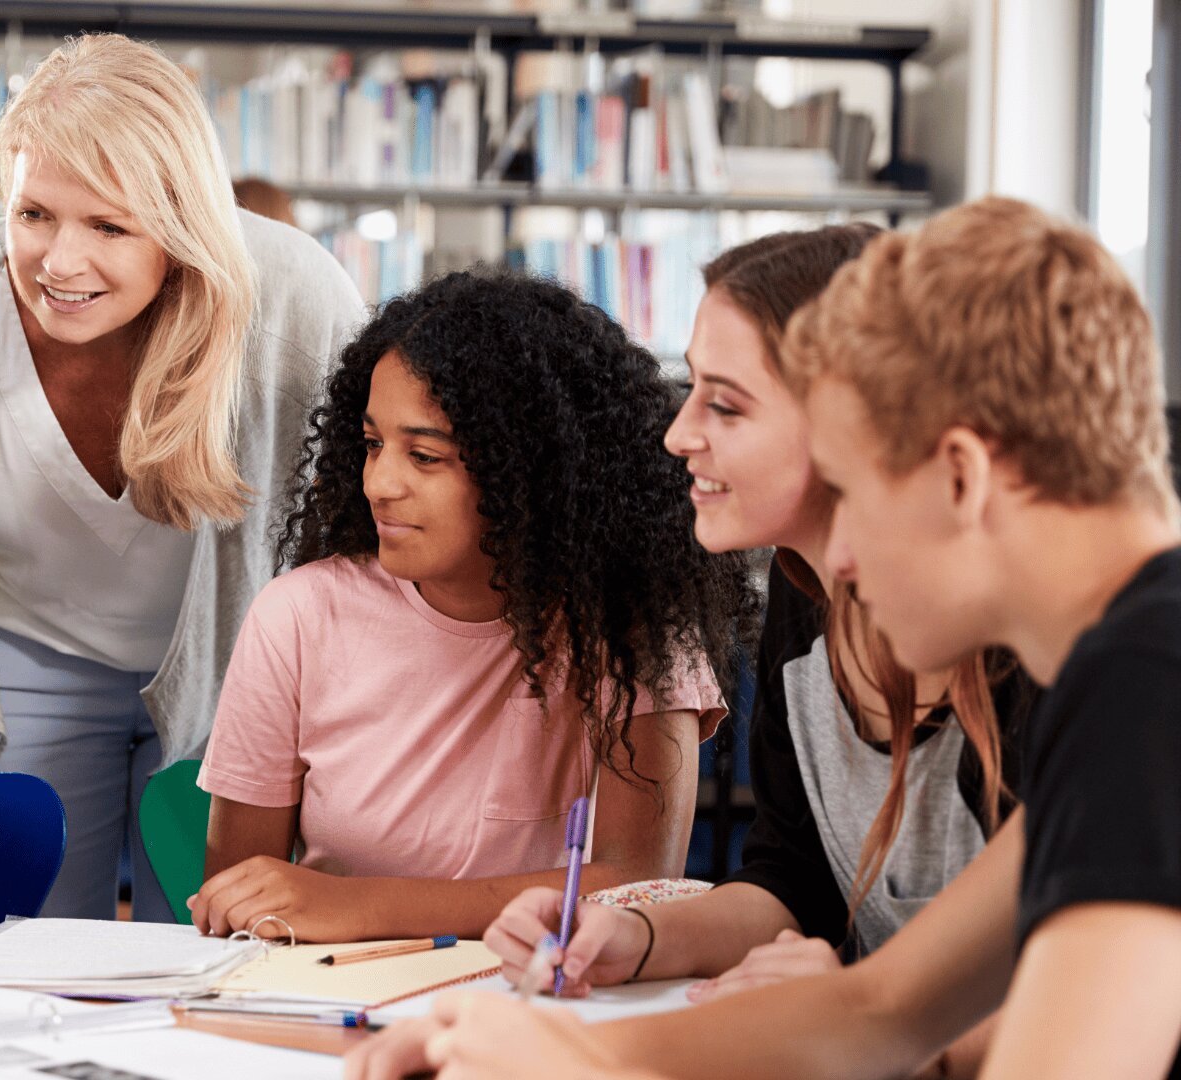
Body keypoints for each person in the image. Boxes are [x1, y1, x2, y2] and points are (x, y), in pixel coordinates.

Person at [347, 197, 1181, 1080]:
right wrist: (572, 1048)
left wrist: (583, 1073)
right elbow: (882, 1009)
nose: (840, 561)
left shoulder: (1149, 681)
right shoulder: (1126, 668)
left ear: (960, 478)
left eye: (855, 496)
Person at [0, 33, 368, 921]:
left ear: (181, 225)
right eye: (34, 213)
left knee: (205, 939)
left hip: (236, 668)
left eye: (108, 226)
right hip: (27, 659)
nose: (59, 262)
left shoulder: (297, 302)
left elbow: (381, 499)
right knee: (30, 935)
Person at [470, 226, 1035, 1074]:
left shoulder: (1059, 659)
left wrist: (856, 1012)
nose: (678, 435)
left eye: (727, 405)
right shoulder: (805, 608)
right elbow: (794, 887)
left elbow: (1097, 993)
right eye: (692, 389)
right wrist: (634, 935)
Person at [188, 269, 754, 942]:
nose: (379, 483)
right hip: (331, 989)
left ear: (532, 473)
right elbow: (239, 898)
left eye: (426, 456)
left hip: (540, 985)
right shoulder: (297, 617)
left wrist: (362, 907)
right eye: (372, 445)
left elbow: (639, 881)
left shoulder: (632, 627)